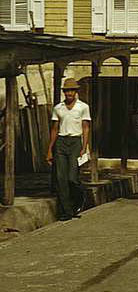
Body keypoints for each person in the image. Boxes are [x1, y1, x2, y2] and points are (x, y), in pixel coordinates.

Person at [46, 78, 90, 221]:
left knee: (72, 177)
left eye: (72, 90)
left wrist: (84, 146)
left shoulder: (82, 107)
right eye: (67, 91)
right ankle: (67, 211)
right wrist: (49, 149)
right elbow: (54, 129)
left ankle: (79, 197)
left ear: (76, 92)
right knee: (61, 178)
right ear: (64, 93)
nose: (69, 93)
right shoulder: (58, 108)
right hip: (61, 142)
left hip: (75, 142)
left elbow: (85, 127)